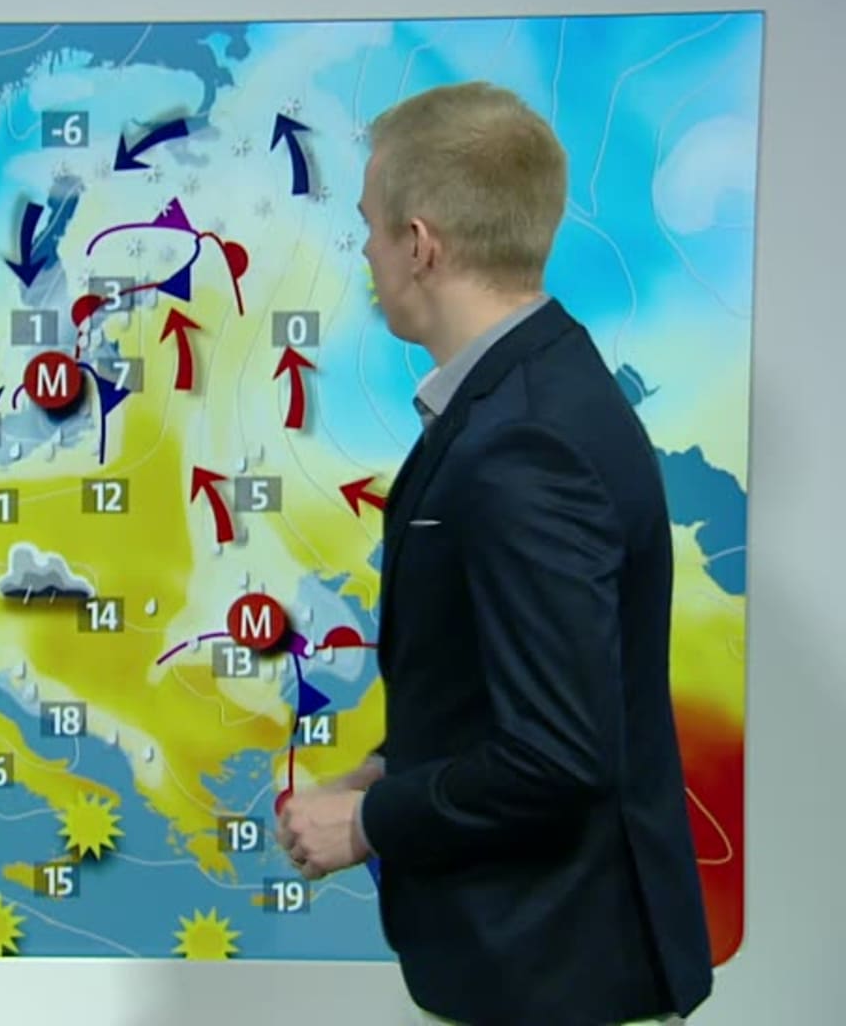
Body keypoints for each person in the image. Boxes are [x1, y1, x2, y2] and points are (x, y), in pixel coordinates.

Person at [273, 81, 715, 1025]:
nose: (366, 252)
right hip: (539, 968)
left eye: (370, 227)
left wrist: (368, 821)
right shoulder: (532, 391)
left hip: (552, 971)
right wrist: (388, 771)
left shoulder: (527, 439)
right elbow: (522, 687)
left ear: (420, 244)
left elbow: (558, 755)